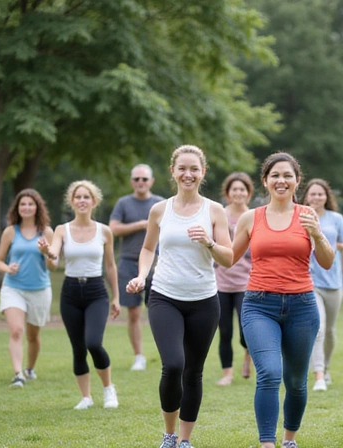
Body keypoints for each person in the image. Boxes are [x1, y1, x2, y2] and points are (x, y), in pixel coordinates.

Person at [126, 145, 233, 448]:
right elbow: (148, 248)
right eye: (182, 168)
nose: (188, 174)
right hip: (165, 296)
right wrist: (141, 275)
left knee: (193, 372)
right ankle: (169, 435)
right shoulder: (160, 210)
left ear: (203, 172)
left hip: (204, 301)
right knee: (173, 364)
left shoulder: (215, 210)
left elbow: (228, 258)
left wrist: (209, 242)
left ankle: (184, 440)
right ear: (172, 172)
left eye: (194, 169)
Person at [231, 152, 334, 448]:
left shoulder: (307, 215)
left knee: (297, 382)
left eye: (288, 175)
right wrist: (208, 244)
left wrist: (317, 234)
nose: (281, 180)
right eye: (275, 175)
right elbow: (229, 258)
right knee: (269, 373)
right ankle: (267, 443)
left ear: (297, 181)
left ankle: (289, 439)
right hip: (259, 305)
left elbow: (327, 261)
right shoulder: (251, 217)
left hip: (302, 307)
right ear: (265, 181)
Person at [38, 180, 121, 410]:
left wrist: (116, 297)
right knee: (78, 347)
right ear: (72, 201)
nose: (82, 200)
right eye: (78, 197)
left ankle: (108, 389)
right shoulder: (62, 230)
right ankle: (86, 397)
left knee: (93, 342)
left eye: (86, 197)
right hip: (71, 293)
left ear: (94, 202)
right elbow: (53, 259)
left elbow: (111, 266)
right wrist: (46, 252)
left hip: (96, 292)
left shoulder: (104, 231)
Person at [0, 189, 58, 387]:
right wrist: (8, 268)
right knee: (16, 331)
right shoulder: (10, 231)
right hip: (13, 287)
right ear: (17, 208)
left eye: (31, 204)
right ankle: (18, 374)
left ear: (37, 208)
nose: (27, 207)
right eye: (23, 204)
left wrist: (46, 252)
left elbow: (53, 266)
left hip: (39, 289)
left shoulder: (47, 232)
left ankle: (29, 369)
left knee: (33, 336)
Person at [109, 164, 164, 371]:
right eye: (137, 179)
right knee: (133, 313)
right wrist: (141, 224)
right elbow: (114, 229)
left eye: (144, 179)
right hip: (128, 262)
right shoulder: (123, 203)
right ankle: (138, 356)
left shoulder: (160, 203)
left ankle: (166, 352)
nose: (141, 182)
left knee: (160, 311)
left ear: (151, 181)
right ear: (132, 182)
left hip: (157, 264)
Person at [301, 178, 343, 392]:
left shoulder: (336, 218)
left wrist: (329, 245)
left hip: (334, 282)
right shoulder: (300, 216)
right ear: (306, 196)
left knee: (330, 331)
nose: (316, 197)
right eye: (313, 194)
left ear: (326, 197)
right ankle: (318, 375)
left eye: (320, 194)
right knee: (318, 328)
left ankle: (326, 367)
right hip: (311, 281)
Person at [214, 172, 254, 386]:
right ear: (228, 193)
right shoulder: (219, 214)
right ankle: (227, 373)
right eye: (234, 189)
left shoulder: (254, 216)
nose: (238, 193)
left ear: (248, 193)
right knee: (225, 331)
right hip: (221, 282)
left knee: (246, 330)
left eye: (242, 189)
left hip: (246, 282)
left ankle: (248, 354)